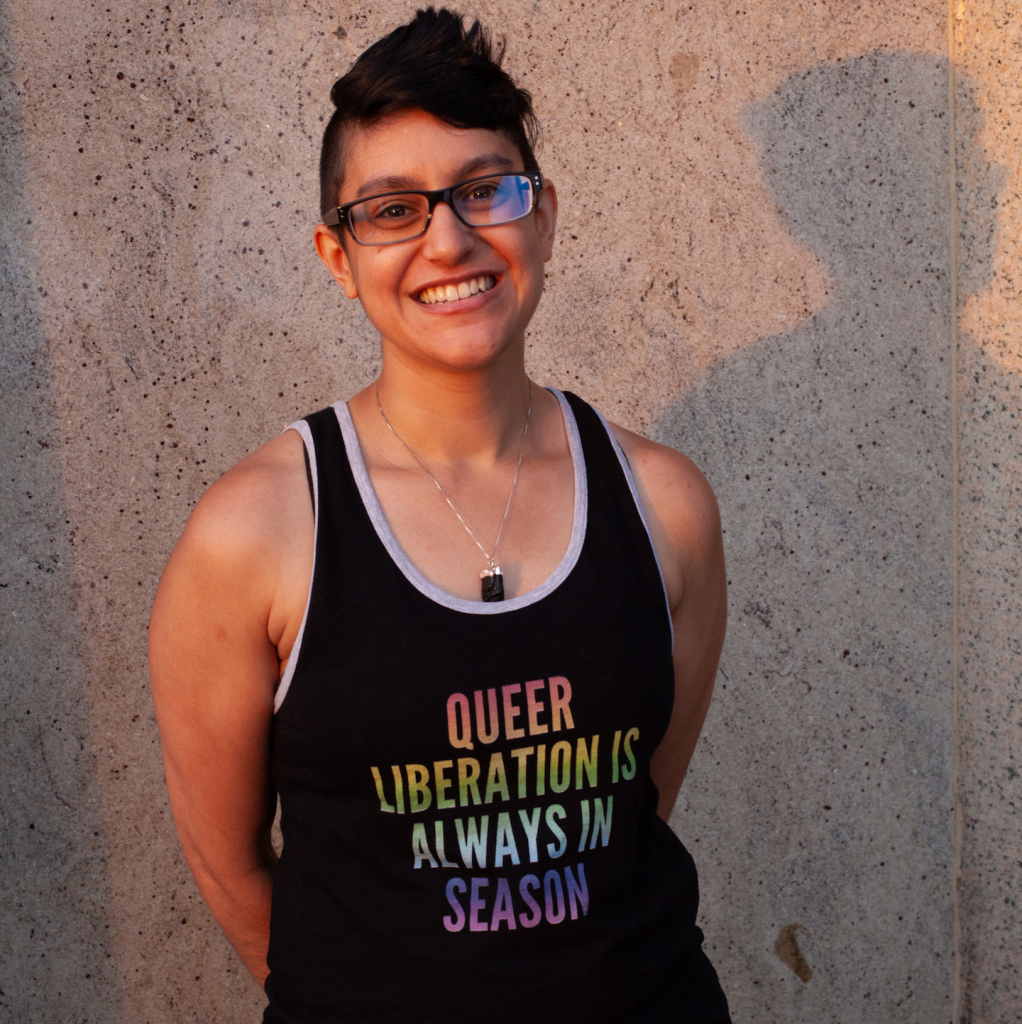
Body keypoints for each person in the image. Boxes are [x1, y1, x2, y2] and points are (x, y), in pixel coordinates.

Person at [148, 8, 730, 1023]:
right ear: (338, 255)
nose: (448, 238)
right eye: (391, 209)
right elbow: (226, 857)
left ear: (541, 214)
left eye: (482, 190)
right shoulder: (258, 531)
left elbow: (638, 799)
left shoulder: (661, 504)